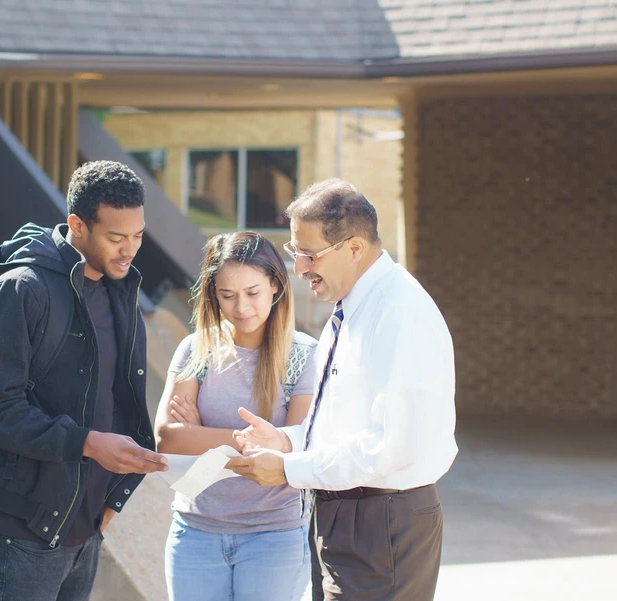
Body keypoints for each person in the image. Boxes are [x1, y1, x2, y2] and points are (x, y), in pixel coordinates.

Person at [227, 179, 458, 601]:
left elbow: (391, 445)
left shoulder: (399, 312)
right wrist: (287, 441)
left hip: (380, 521)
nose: (299, 268)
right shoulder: (354, 304)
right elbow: (347, 421)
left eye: (309, 254)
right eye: (295, 252)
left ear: (354, 248)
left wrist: (289, 469)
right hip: (349, 514)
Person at [0, 160, 169, 601]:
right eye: (116, 238)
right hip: (22, 535)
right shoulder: (23, 290)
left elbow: (116, 402)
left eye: (136, 236)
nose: (129, 249)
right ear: (77, 225)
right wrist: (88, 443)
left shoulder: (123, 294)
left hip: (86, 533)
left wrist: (114, 497)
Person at [154, 231, 318, 601]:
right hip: (195, 531)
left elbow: (299, 443)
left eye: (252, 293)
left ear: (275, 285)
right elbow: (168, 438)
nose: (241, 307)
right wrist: (250, 440)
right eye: (227, 295)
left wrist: (203, 434)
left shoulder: (304, 355)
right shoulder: (197, 348)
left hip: (273, 535)